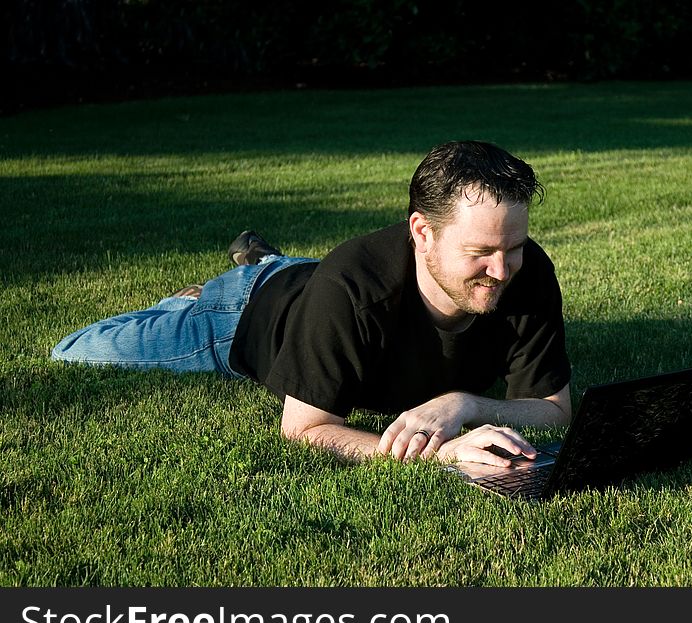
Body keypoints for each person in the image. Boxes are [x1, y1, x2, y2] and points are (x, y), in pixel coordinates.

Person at [52, 140, 572, 466]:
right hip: (245, 317)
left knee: (307, 279)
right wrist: (442, 456)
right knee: (72, 351)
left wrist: (466, 405)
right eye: (481, 253)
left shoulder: (526, 272)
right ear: (423, 232)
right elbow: (305, 428)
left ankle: (264, 259)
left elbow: (554, 411)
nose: (502, 271)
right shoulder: (354, 291)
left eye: (514, 248)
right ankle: (209, 293)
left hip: (309, 285)